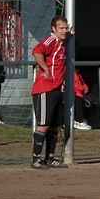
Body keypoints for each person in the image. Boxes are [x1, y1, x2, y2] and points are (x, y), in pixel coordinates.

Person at [30, 15, 69, 168]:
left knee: (55, 125)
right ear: (54, 29)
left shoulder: (63, 42)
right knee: (44, 125)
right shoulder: (51, 40)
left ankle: (50, 157)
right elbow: (37, 51)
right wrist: (45, 69)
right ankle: (36, 158)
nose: (64, 31)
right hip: (45, 89)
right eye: (61, 28)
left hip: (58, 89)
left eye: (65, 28)